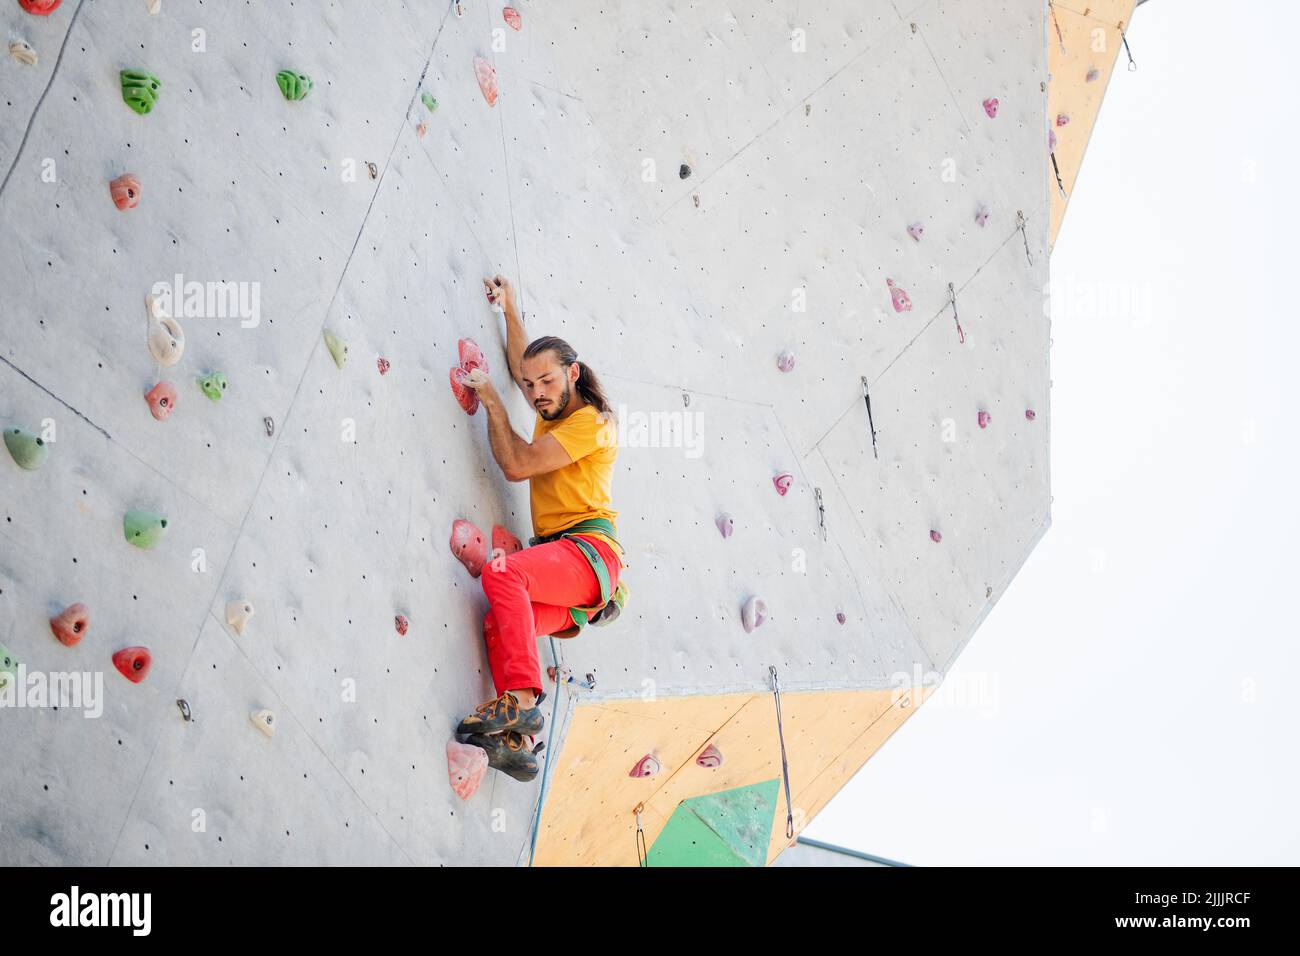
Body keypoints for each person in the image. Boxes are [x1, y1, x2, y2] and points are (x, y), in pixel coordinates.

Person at [455, 275, 626, 782]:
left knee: (503, 575)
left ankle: (523, 705)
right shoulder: (551, 405)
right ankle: (517, 743)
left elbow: (518, 464)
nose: (535, 393)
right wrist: (508, 310)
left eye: (547, 382)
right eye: (529, 387)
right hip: (569, 567)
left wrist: (490, 399)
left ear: (574, 373)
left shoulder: (593, 421)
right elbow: (520, 363)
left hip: (588, 553)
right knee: (501, 626)